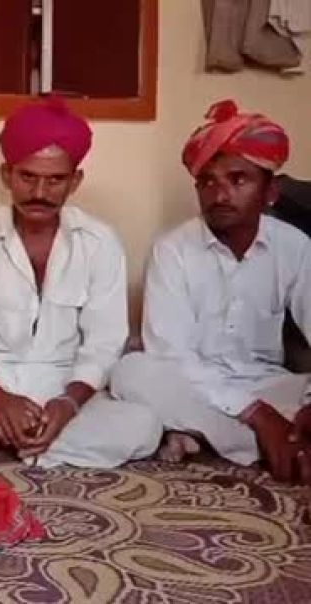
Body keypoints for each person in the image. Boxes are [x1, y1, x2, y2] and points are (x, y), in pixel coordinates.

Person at [0, 98, 161, 468]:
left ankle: (4, 446)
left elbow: (105, 342)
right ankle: (25, 444)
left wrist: (68, 405)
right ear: (6, 175)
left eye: (55, 179)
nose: (40, 192)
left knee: (145, 425)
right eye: (28, 177)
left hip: (63, 389)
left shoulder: (99, 242)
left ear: (75, 182)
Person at [110, 100, 311, 482]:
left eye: (238, 180)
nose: (219, 195)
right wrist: (259, 415)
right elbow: (171, 354)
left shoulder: (295, 247)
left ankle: (206, 436)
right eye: (207, 182)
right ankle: (264, 441)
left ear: (271, 191)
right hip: (194, 384)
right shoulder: (173, 250)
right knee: (130, 373)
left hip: (267, 382)